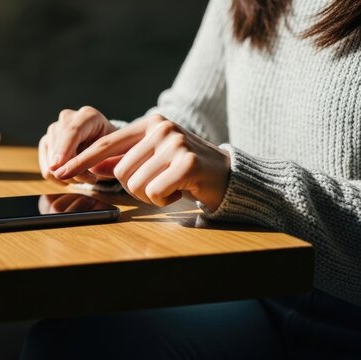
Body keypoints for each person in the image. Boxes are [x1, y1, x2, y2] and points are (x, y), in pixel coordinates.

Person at [24, 0, 361, 358]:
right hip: (258, 290)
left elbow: (219, 161)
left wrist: (241, 180)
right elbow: (191, 113)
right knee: (64, 344)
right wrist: (115, 153)